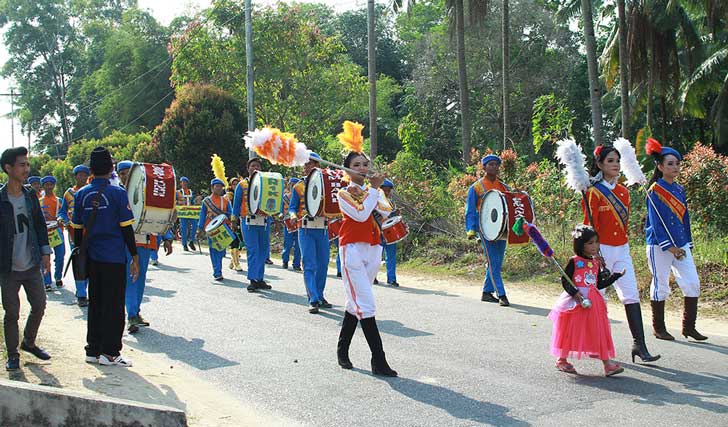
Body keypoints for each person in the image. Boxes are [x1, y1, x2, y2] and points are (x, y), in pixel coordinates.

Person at [583, 145, 660, 363]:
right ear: (600, 164)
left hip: (622, 248)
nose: (615, 164)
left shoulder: (624, 192)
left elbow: (623, 225)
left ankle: (639, 345)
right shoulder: (593, 192)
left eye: (617, 160)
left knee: (631, 294)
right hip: (602, 250)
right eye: (610, 161)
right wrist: (593, 253)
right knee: (599, 297)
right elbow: (589, 225)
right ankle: (596, 343)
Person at [71, 146, 139, 367]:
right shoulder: (117, 193)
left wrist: (81, 253)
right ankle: (110, 352)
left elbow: (77, 230)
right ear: (111, 169)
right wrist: (135, 256)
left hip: (92, 258)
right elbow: (126, 228)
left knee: (96, 303)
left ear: (91, 169)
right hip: (113, 258)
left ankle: (93, 349)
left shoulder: (81, 194)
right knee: (114, 305)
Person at [336, 150, 397, 377]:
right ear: (347, 169)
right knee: (366, 304)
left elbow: (386, 211)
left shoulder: (374, 191)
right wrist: (372, 190)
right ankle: (378, 360)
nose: (362, 168)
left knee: (356, 303)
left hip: (373, 248)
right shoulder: (343, 193)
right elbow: (360, 215)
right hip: (352, 249)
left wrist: (374, 190)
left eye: (364, 164)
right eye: (356, 165)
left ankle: (342, 350)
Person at [645, 138, 707, 341]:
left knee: (692, 283)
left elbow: (684, 218)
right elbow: (655, 223)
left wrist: (687, 242)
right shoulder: (654, 190)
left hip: (681, 243)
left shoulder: (680, 190)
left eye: (677, 163)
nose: (675, 167)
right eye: (670, 164)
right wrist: (669, 247)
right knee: (661, 284)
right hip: (659, 245)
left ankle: (689, 327)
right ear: (660, 166)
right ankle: (659, 328)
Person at [1, 147, 52, 371]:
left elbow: (40, 224)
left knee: (39, 305)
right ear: (8, 168)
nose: (26, 169)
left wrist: (45, 252)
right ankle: (13, 355)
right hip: (8, 268)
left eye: (27, 164)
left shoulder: (30, 195)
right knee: (12, 313)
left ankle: (29, 342)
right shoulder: (1, 199)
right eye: (22, 165)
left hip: (31, 263)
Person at [549, 224, 625, 377]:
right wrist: (575, 293)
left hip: (593, 302)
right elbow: (565, 281)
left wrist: (615, 277)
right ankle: (561, 360)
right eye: (590, 243)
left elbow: (599, 284)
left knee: (599, 331)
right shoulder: (574, 261)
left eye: (596, 242)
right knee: (570, 330)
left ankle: (607, 365)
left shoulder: (596, 263)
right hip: (576, 302)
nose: (595, 246)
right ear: (580, 244)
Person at [465, 154, 511, 306]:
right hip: (485, 229)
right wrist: (471, 229)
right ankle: (501, 294)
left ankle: (486, 292)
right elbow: (470, 210)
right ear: (484, 167)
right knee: (493, 261)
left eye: (496, 164)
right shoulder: (476, 187)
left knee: (497, 261)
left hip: (502, 229)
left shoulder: (504, 187)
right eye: (490, 164)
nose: (494, 167)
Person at [289, 153, 331, 313]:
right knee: (309, 264)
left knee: (323, 264)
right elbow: (292, 207)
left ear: (318, 166)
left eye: (311, 163)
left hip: (322, 229)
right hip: (305, 228)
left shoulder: (327, 185)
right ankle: (312, 298)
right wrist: (293, 215)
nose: (307, 167)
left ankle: (320, 295)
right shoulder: (298, 187)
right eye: (305, 164)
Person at [233, 158, 272, 292]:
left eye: (258, 166)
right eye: (252, 166)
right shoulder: (242, 185)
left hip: (264, 221)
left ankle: (259, 278)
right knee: (253, 249)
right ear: (248, 169)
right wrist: (234, 220)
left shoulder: (267, 183)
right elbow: (236, 204)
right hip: (248, 221)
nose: (255, 168)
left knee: (263, 250)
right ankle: (252, 279)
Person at [59, 165, 91, 306]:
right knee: (78, 263)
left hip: (91, 233)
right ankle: (81, 294)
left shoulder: (91, 191)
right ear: (75, 176)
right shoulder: (69, 193)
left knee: (90, 263)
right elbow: (62, 211)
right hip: (74, 233)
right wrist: (64, 220)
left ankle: (87, 290)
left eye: (85, 175)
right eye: (80, 175)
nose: (82, 177)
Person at [198, 178, 232, 281]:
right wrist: (200, 228)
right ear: (212, 188)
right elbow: (202, 215)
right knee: (213, 250)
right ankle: (217, 272)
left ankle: (218, 269)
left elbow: (230, 214)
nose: (219, 188)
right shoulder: (206, 201)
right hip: (211, 229)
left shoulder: (225, 201)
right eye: (217, 186)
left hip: (223, 228)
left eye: (221, 187)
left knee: (221, 250)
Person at [39, 175, 66, 291]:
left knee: (60, 255)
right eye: (46, 185)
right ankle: (47, 281)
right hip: (44, 231)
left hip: (57, 230)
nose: (49, 187)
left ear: (54, 185)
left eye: (51, 184)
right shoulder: (39, 201)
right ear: (43, 186)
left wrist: (61, 219)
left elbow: (63, 213)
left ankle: (58, 276)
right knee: (45, 257)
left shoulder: (59, 201)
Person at [379, 179, 399, 287]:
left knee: (391, 256)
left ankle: (392, 279)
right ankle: (373, 277)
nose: (386, 192)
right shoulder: (375, 202)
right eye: (384, 190)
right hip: (378, 232)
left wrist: (395, 214)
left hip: (390, 233)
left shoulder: (391, 202)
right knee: (376, 257)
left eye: (388, 190)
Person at [282, 177, 301, 271]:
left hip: (298, 222)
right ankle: (285, 260)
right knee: (287, 243)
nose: (293, 186)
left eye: (295, 185)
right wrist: (280, 215)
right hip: (288, 223)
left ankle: (296, 264)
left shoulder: (301, 197)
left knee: (298, 244)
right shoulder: (284, 197)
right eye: (291, 185)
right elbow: (280, 209)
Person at [227, 177, 243, 271]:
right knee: (234, 241)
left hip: (241, 219)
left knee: (241, 241)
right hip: (232, 220)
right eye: (234, 184)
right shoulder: (229, 196)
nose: (236, 186)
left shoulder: (242, 194)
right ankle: (237, 264)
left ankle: (233, 260)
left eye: (237, 184)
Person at [177, 176, 196, 252]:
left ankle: (191, 241)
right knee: (184, 228)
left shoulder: (191, 192)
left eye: (185, 182)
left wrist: (195, 205)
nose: (184, 184)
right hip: (183, 213)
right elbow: (174, 202)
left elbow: (193, 202)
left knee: (195, 225)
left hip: (191, 212)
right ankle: (184, 244)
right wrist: (179, 202)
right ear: (181, 183)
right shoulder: (178, 192)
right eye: (183, 182)